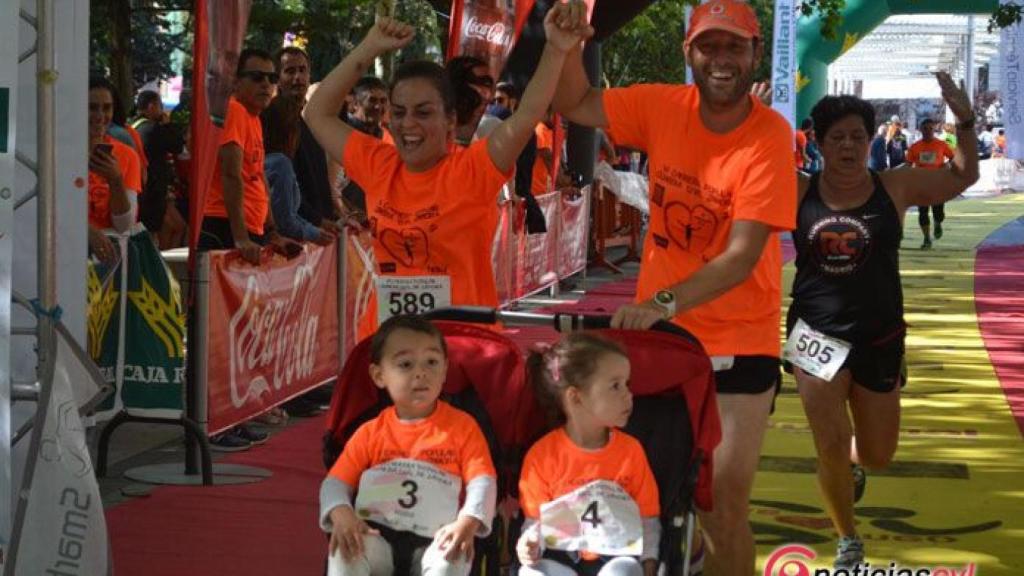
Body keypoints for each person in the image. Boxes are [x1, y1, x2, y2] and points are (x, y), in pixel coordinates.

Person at [553, 2, 797, 574]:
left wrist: (658, 302)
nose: (721, 59)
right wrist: (564, 47)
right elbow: (575, 102)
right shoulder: (663, 105)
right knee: (642, 496)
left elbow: (739, 259)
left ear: (755, 55)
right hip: (664, 342)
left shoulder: (768, 135)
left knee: (723, 506)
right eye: (708, 46)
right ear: (688, 53)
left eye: (735, 47)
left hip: (740, 341)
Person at [304, 5, 591, 339]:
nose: (408, 124)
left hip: (463, 348)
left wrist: (556, 48)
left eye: (423, 113)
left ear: (450, 121)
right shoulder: (379, 164)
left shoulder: (473, 169)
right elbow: (318, 114)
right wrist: (369, 47)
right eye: (398, 112)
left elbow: (527, 114)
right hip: (390, 352)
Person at [786, 73, 977, 569]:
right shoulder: (797, 190)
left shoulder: (894, 186)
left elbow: (963, 176)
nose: (848, 145)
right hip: (814, 334)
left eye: (856, 136)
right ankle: (848, 540)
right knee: (827, 442)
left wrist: (966, 121)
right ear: (821, 144)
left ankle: (855, 465)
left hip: (879, 334)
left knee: (875, 454)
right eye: (837, 137)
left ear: (869, 140)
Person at [320, 315, 496, 576]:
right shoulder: (370, 432)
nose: (420, 373)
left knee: (452, 557)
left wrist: (468, 521)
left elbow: (482, 480)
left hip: (438, 536)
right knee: (345, 550)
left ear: (445, 370)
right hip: (376, 534)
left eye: (432, 362)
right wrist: (341, 512)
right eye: (405, 364)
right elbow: (334, 483)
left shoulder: (463, 428)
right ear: (379, 376)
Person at [199, 47, 300, 450]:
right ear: (236, 80)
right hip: (221, 229)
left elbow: (255, 180)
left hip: (246, 230)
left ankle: (229, 416)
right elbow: (230, 174)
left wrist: (271, 233)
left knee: (239, 332)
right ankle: (213, 422)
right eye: (257, 76)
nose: (266, 85)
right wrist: (242, 237)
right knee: (218, 335)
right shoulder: (233, 112)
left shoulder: (253, 119)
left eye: (271, 78)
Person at [517, 333, 660, 576]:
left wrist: (649, 561)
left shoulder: (631, 452)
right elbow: (535, 522)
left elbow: (647, 516)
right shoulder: (542, 456)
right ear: (576, 397)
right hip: (559, 557)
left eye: (627, 384)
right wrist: (528, 545)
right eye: (615, 386)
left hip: (616, 557)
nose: (629, 394)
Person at [277, 46, 341, 232]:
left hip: (320, 232)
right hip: (297, 233)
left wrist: (335, 214)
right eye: (290, 71)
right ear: (278, 79)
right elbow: (284, 188)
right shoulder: (275, 121)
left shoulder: (308, 122)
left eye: (302, 70)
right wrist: (316, 221)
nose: (298, 77)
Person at [262, 95, 337, 244]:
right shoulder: (280, 164)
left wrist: (313, 229)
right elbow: (284, 220)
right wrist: (313, 233)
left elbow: (290, 214)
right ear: (290, 130)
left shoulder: (273, 161)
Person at [88, 76, 143, 265]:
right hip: (59, 253)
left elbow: (124, 225)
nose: (100, 116)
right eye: (92, 107)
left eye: (106, 108)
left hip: (108, 262)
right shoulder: (57, 150)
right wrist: (86, 231)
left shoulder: (127, 156)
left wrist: (116, 180)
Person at [132, 90, 186, 248]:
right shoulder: (152, 129)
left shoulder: (133, 127)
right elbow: (176, 145)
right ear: (151, 106)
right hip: (153, 193)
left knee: (177, 226)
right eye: (160, 105)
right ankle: (163, 263)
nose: (162, 110)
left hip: (142, 190)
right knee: (157, 234)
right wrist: (168, 123)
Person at [337, 75, 392, 217]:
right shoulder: (341, 133)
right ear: (355, 103)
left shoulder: (386, 136)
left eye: (383, 101)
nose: (378, 106)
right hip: (346, 219)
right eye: (372, 100)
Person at [907, 118, 955, 249]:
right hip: (921, 184)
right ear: (921, 130)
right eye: (925, 129)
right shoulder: (915, 147)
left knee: (938, 212)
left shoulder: (941, 144)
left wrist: (947, 165)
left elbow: (953, 157)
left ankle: (938, 223)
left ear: (934, 130)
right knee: (923, 212)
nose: (928, 131)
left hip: (938, 184)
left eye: (930, 129)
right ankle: (927, 238)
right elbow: (908, 164)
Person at [445, 55, 495, 146]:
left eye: (487, 84)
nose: (487, 94)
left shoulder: (494, 129)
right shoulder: (430, 130)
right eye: (477, 82)